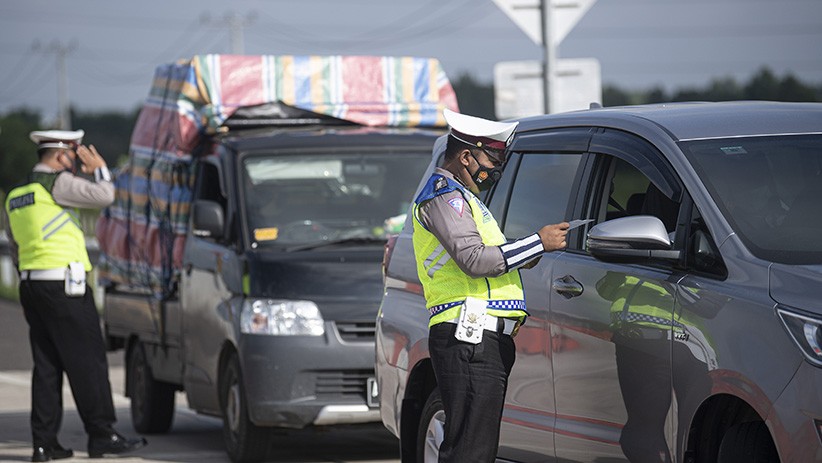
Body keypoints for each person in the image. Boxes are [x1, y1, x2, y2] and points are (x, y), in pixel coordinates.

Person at [412, 109, 568, 462]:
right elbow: (474, 259)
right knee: (471, 450)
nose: (495, 170)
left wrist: (527, 253)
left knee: (474, 447)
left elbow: (489, 257)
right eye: (492, 160)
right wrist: (537, 243)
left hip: (481, 338)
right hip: (469, 336)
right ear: (466, 157)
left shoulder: (466, 199)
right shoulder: (445, 197)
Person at [3, 130, 147, 461]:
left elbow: (14, 246)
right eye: (73, 154)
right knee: (88, 361)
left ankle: (44, 443)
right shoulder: (58, 183)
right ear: (60, 155)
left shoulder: (17, 194)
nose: (75, 161)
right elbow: (104, 196)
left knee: (47, 366)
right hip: (65, 287)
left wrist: (27, 285)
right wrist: (100, 169)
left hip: (32, 285)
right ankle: (102, 434)